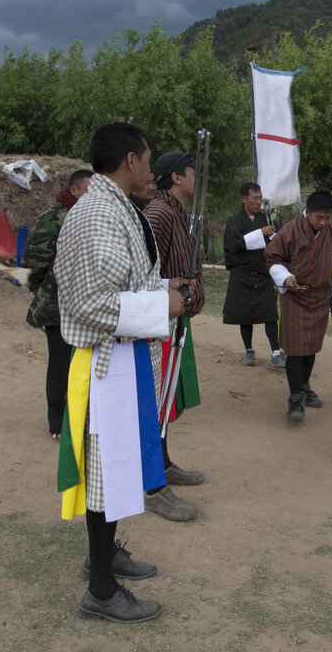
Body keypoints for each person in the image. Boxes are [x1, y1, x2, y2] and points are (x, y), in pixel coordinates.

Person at [54, 121, 188, 623]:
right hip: (105, 364)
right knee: (104, 473)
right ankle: (101, 591)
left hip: (122, 358)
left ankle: (103, 555)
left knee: (113, 470)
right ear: (130, 159)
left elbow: (126, 279)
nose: (151, 168)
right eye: (148, 158)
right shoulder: (96, 214)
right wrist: (163, 304)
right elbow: (89, 302)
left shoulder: (114, 206)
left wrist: (162, 289)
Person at [143, 150, 206, 507]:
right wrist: (172, 285)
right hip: (158, 321)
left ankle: (163, 465)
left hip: (173, 318)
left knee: (166, 399)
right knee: (155, 400)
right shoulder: (158, 213)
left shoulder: (175, 212)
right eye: (192, 172)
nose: (196, 178)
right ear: (176, 177)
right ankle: (153, 482)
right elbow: (140, 274)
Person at [24, 168, 94, 440]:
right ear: (73, 190)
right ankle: (57, 422)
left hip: (81, 305)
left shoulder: (86, 217)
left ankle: (79, 417)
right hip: (55, 306)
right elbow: (34, 262)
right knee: (61, 364)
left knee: (81, 364)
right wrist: (42, 290)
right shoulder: (54, 217)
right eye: (87, 190)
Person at [265, 190, 332, 421]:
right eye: (319, 217)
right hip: (295, 296)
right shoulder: (290, 230)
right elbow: (273, 258)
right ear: (307, 212)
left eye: (328, 218)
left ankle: (305, 387)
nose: (323, 222)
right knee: (296, 349)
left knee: (311, 346)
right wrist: (285, 277)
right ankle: (295, 397)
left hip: (320, 298)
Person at [223, 182, 284, 368]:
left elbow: (277, 238)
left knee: (270, 313)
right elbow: (236, 244)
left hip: (263, 273)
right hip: (242, 274)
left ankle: (276, 352)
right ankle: (248, 350)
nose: (259, 202)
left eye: (260, 198)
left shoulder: (267, 218)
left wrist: (274, 228)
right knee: (245, 315)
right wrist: (261, 233)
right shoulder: (234, 220)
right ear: (244, 199)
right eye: (255, 199)